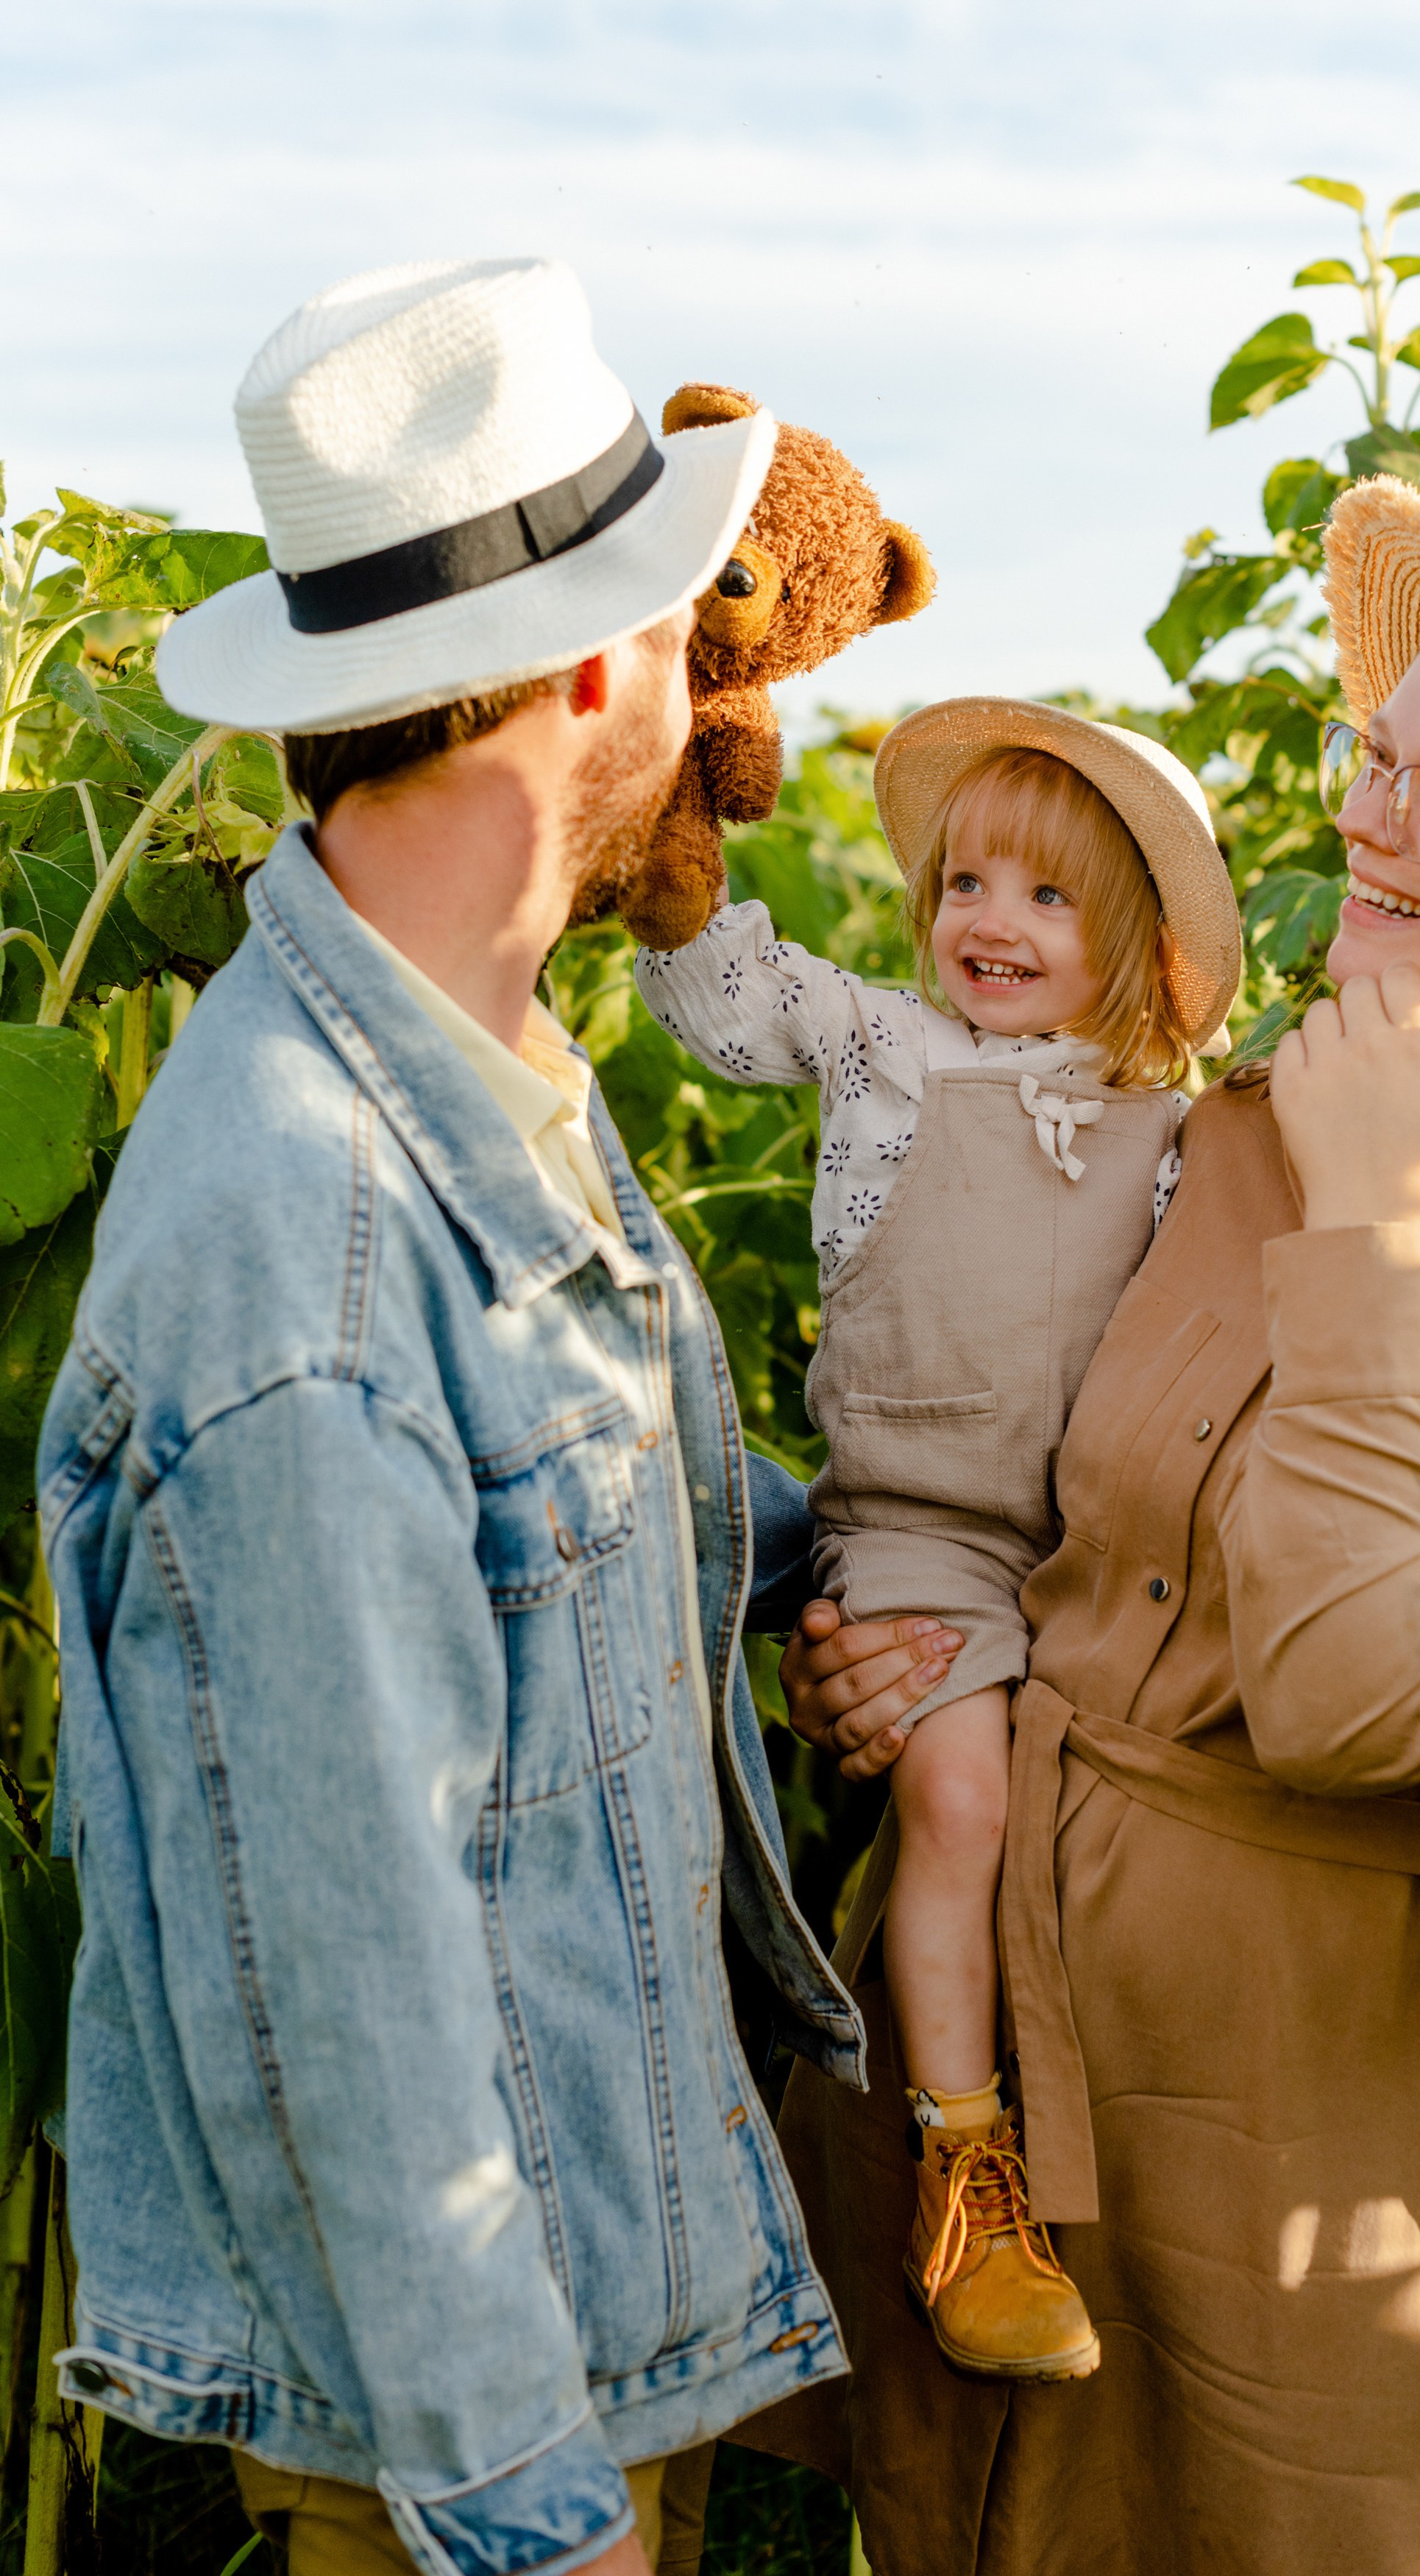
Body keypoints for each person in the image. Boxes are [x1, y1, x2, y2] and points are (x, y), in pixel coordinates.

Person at [748, 481, 1420, 2575]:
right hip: (1008, 2057)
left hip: (1306, 2128)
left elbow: (1351, 1705)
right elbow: (1035, 1489)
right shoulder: (1244, 1118)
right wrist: (909, 1647)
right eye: (1377, 760)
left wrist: (1379, 1240)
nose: (1368, 821)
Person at [38, 257, 865, 2576]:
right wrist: (533, 2514)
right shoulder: (297, 1245)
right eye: (690, 634)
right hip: (477, 2455)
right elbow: (359, 1985)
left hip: (595, 2335)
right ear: (606, 665)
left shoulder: (466, 1064)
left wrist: (858, 1553)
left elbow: (549, 1542)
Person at [634, 702, 1239, 2380]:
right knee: (957, 1792)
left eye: (1045, 898)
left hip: (1108, 1541)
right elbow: (724, 990)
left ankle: (1104, 2173)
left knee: (1096, 1835)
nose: (987, 918)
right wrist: (675, 834)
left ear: (1139, 940)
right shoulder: (887, 1046)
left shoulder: (1178, 1126)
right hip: (917, 1526)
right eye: (964, 879)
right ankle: (961, 2163)